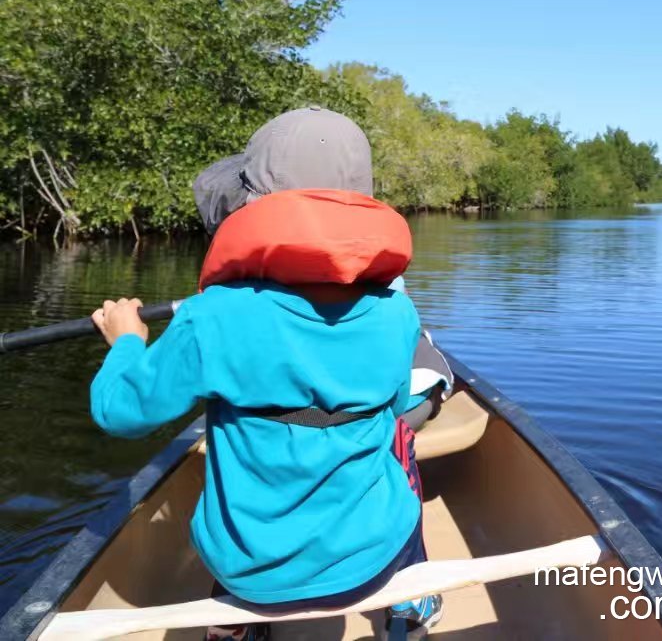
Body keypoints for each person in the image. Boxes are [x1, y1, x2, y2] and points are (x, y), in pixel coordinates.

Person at [90, 108, 442, 640]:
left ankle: (234, 623)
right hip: (370, 561)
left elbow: (120, 411)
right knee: (397, 442)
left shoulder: (212, 317)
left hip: (250, 572)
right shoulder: (397, 313)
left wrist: (127, 343)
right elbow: (396, 407)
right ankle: (411, 593)